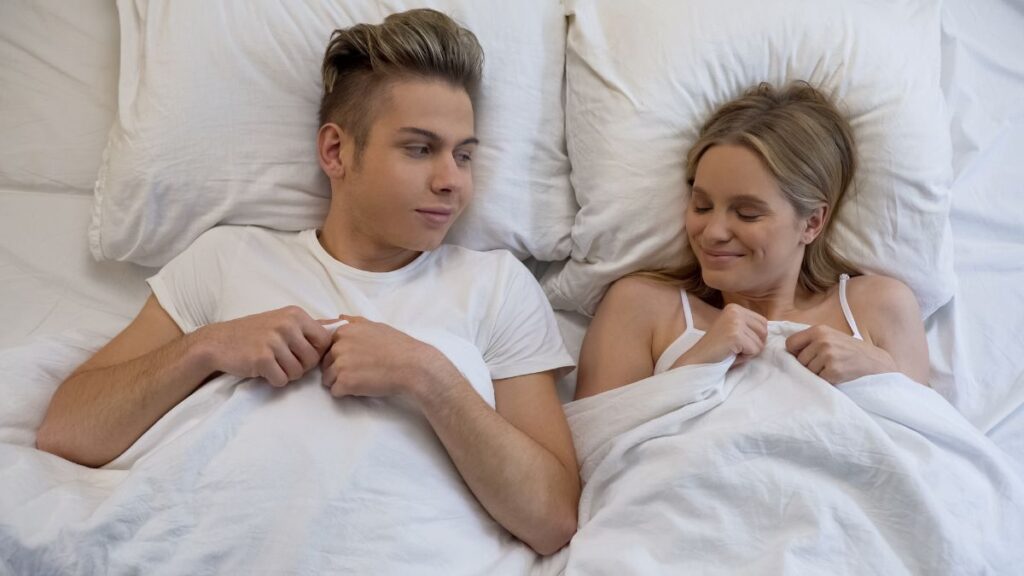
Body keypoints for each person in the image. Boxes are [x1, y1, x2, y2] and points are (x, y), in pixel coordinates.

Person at [36, 9, 579, 555]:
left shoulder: (497, 286)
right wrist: (207, 348)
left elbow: (554, 518)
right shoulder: (228, 258)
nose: (451, 181)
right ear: (336, 151)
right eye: (419, 149)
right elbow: (67, 430)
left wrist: (428, 376)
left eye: (463, 155)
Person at [575, 81, 929, 400]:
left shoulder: (880, 307)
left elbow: (936, 451)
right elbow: (592, 452)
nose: (712, 232)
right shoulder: (641, 307)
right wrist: (693, 367)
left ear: (812, 222)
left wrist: (881, 372)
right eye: (702, 206)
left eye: (747, 214)